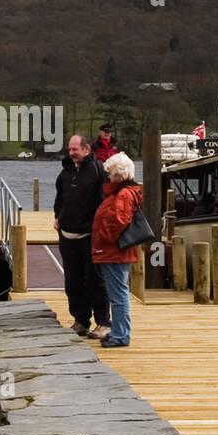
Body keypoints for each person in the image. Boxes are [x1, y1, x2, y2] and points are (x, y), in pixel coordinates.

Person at [53, 133, 110, 339]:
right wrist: (57, 216)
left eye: (75, 149)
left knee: (95, 280)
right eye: (70, 149)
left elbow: (104, 202)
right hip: (67, 235)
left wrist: (98, 228)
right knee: (72, 282)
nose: (71, 153)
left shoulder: (98, 171)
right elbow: (59, 197)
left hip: (89, 236)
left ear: (86, 149)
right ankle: (81, 320)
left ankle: (103, 322)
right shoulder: (66, 171)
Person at [90, 152, 142, 348]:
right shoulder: (124, 193)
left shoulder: (122, 195)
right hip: (115, 251)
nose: (108, 177)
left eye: (110, 173)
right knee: (118, 293)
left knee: (118, 295)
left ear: (119, 175)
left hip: (113, 251)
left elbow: (118, 222)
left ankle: (121, 335)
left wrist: (100, 236)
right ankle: (120, 333)